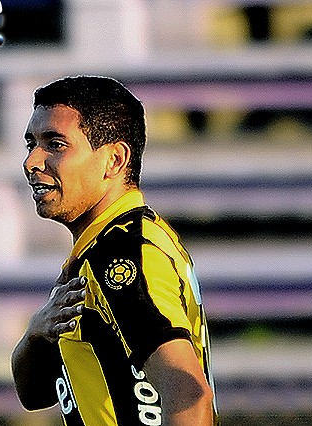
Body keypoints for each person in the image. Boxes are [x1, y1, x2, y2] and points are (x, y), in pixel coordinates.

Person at [11, 76, 217, 425]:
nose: (32, 161)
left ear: (115, 159)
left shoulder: (122, 256)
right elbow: (36, 393)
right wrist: (36, 333)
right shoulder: (105, 247)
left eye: (55, 144)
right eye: (31, 143)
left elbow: (188, 395)